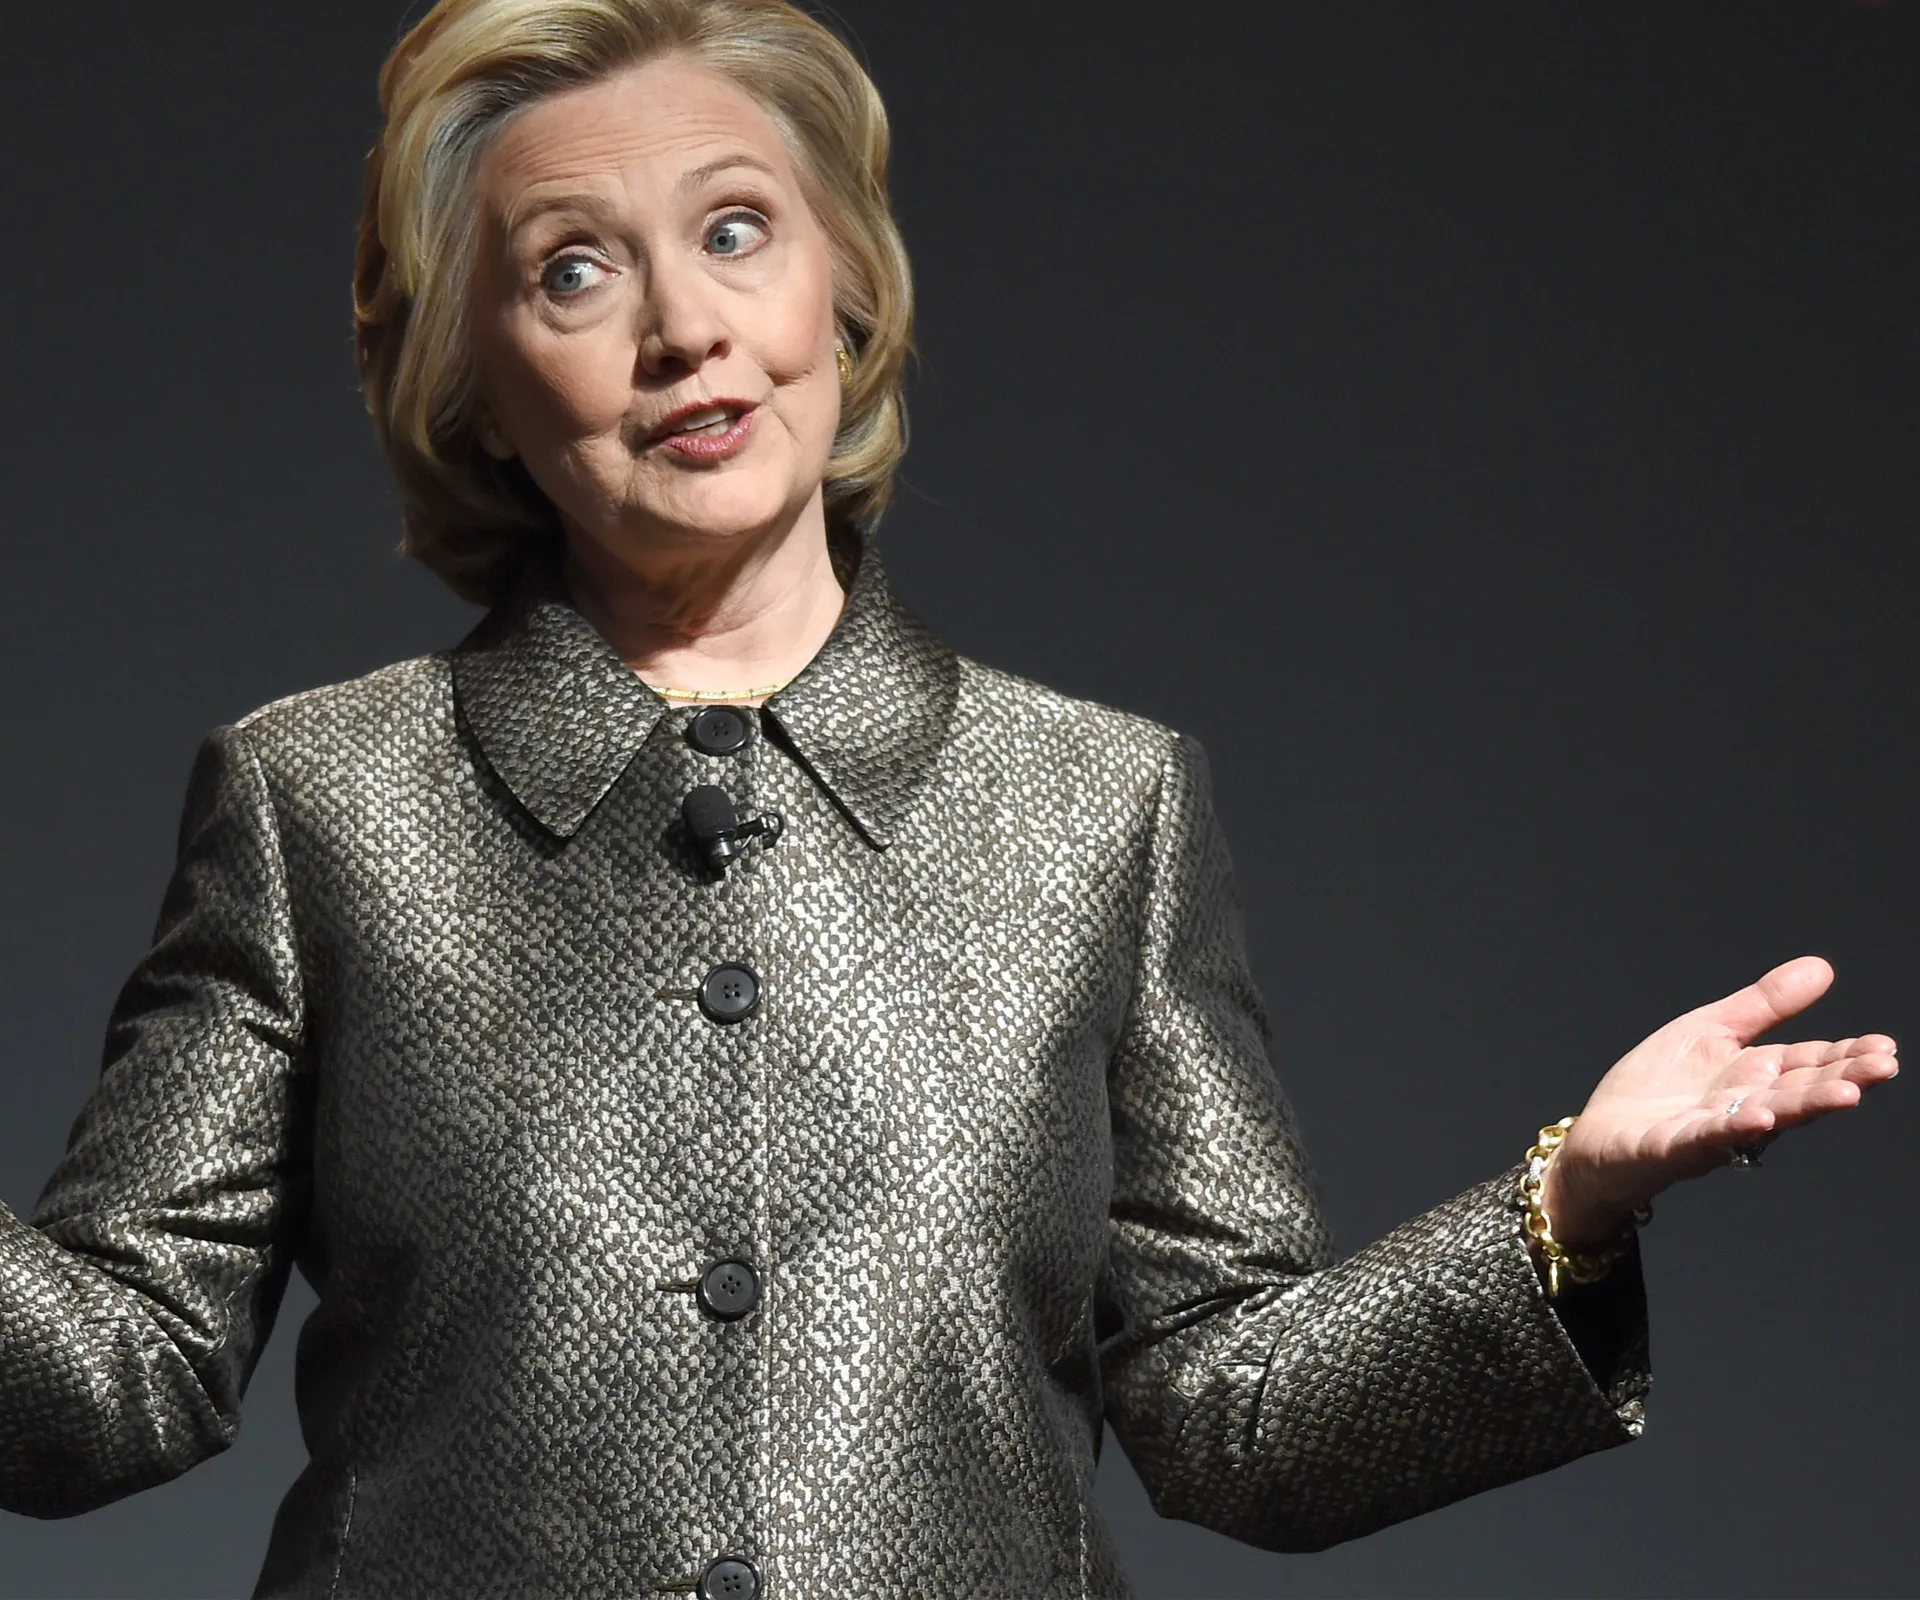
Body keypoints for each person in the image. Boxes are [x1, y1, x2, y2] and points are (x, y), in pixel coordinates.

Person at [0, 2, 1897, 1596]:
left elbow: (1235, 1411)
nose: (682, 325)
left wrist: (1568, 1201)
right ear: (475, 382)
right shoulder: (321, 803)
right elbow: (118, 1374)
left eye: (736, 230)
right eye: (572, 269)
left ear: (844, 288)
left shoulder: (1097, 807)